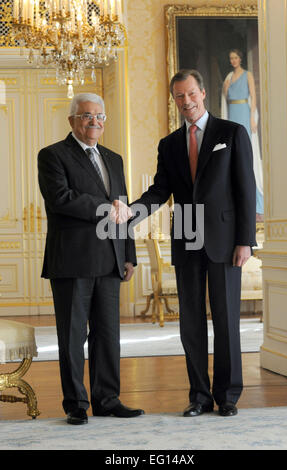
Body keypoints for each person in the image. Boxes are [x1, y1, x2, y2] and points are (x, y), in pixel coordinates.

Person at [122, 69, 256, 417]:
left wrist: (245, 241)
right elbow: (159, 191)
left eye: (191, 94)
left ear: (203, 93)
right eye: (179, 96)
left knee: (226, 320)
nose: (186, 102)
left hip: (226, 243)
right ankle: (199, 396)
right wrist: (130, 213)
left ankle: (227, 395)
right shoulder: (168, 145)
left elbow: (245, 189)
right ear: (174, 100)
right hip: (187, 239)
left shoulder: (232, 133)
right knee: (190, 323)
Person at [38, 92, 144, 425]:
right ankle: (76, 404)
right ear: (72, 120)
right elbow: (61, 199)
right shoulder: (52, 155)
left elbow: (123, 208)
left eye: (99, 116)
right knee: (72, 336)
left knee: (108, 335)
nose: (94, 121)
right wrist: (105, 209)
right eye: (86, 116)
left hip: (110, 260)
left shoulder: (114, 158)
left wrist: (128, 254)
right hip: (72, 260)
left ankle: (107, 399)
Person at [222, 49, 264, 221]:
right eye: (231, 58)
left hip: (244, 114)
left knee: (248, 155)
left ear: (240, 59)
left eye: (236, 58)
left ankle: (256, 204)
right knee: (233, 155)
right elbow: (225, 97)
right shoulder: (228, 78)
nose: (233, 60)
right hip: (232, 112)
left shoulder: (247, 75)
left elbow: (253, 97)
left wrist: (253, 119)